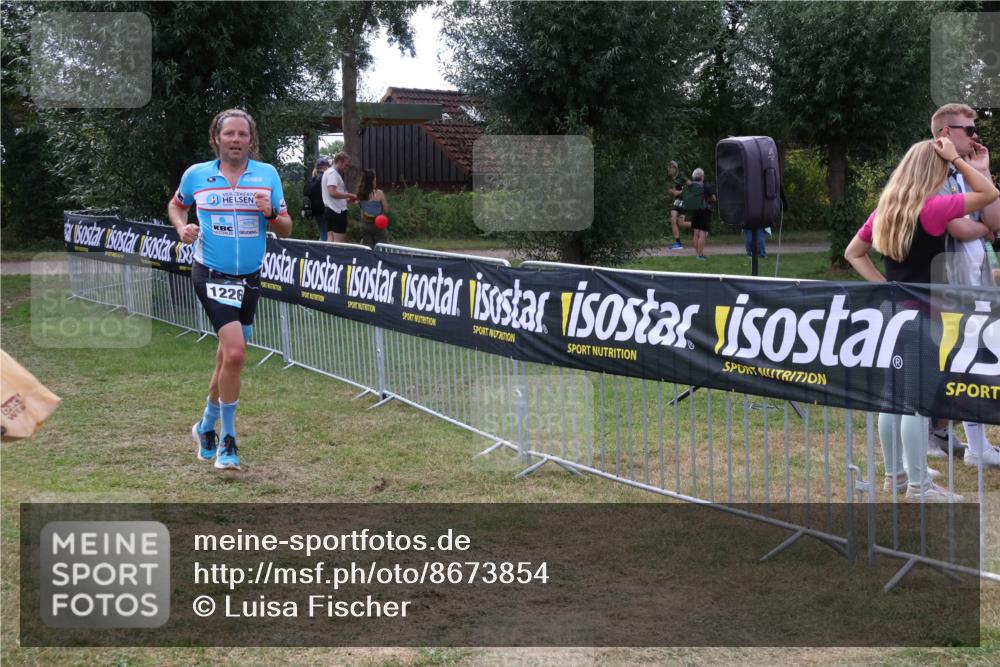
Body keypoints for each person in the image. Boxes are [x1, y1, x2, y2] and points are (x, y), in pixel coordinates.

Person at [843, 136, 997, 500]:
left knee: (892, 398)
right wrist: (959, 161)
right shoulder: (933, 208)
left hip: (890, 312)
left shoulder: (886, 209)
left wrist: (886, 286)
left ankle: (895, 477)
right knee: (916, 401)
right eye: (943, 168)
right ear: (934, 170)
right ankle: (918, 485)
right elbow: (988, 194)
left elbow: (854, 252)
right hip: (922, 315)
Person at [167, 109, 292, 471]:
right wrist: (181, 227)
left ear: (251, 140)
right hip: (211, 273)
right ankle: (228, 440)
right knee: (236, 353)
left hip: (250, 277)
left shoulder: (267, 175)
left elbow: (285, 228)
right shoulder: (197, 175)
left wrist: (270, 213)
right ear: (216, 138)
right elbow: (177, 206)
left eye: (242, 135)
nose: (236, 140)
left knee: (226, 358)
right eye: (229, 134)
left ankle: (205, 426)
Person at [321, 152, 357, 243]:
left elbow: (334, 195)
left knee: (330, 239)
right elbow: (332, 193)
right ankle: (335, 257)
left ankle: (328, 257)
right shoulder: (333, 173)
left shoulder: (328, 172)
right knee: (338, 242)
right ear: (340, 161)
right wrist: (350, 195)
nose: (347, 168)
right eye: (346, 165)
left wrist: (347, 200)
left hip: (330, 209)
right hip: (337, 211)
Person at [684, 168, 716, 261]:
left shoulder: (691, 186)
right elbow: (713, 198)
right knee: (702, 233)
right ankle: (700, 255)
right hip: (704, 211)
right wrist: (707, 200)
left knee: (695, 233)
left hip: (694, 211)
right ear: (702, 176)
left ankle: (698, 253)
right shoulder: (705, 186)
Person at [356, 168, 390, 248]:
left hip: (365, 225)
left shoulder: (360, 193)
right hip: (378, 224)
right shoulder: (379, 193)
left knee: (368, 248)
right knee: (382, 247)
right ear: (372, 181)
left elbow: (360, 207)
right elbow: (386, 209)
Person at [303, 158, 331, 241]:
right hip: (324, 210)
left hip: (315, 210)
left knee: (322, 232)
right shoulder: (325, 178)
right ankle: (321, 252)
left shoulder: (312, 179)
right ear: (324, 167)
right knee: (324, 236)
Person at [667, 161, 690, 249]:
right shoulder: (669, 179)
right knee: (677, 221)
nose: (668, 170)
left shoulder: (681, 176)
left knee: (677, 220)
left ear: (675, 168)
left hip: (684, 200)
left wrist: (680, 192)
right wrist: (672, 192)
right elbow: (670, 191)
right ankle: (678, 243)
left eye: (670, 168)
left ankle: (678, 243)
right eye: (668, 168)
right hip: (677, 200)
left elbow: (690, 185)